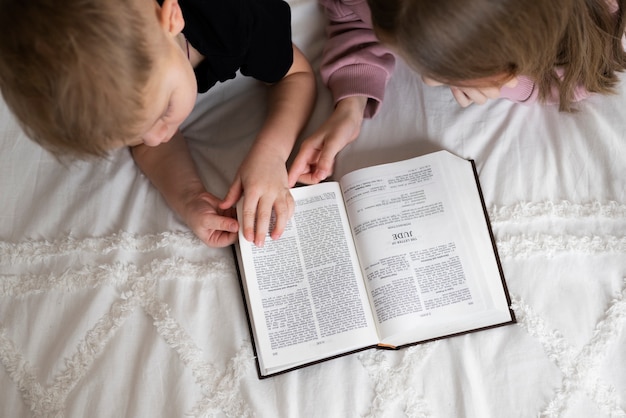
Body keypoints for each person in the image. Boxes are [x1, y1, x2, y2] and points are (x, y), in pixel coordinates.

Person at [0, 0, 316, 248]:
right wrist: (189, 196)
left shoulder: (234, 20)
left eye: (163, 111)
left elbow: (297, 75)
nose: (156, 139)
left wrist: (271, 154)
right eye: (137, 134)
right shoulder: (124, 72)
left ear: (173, 18)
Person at [287, 0, 626, 186]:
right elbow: (353, 22)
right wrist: (350, 103)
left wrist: (509, 85)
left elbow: (582, 77)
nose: (430, 84)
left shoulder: (589, 16)